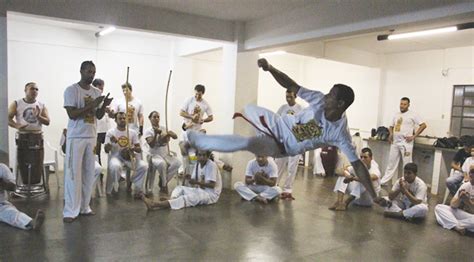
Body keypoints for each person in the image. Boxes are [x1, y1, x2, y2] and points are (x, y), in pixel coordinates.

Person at [188, 58, 378, 200]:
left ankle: (202, 141)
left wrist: (375, 196)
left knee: (249, 143)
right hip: (280, 124)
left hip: (284, 147)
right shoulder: (319, 99)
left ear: (340, 103)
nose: (326, 96)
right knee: (250, 109)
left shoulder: (340, 134)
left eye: (331, 95)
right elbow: (292, 85)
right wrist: (270, 68)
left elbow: (358, 166)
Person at [63, 61, 112, 223]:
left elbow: (98, 116)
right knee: (73, 174)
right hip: (76, 137)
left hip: (91, 136)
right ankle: (70, 211)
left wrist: (103, 105)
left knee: (89, 173)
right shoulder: (71, 90)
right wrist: (92, 104)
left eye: (94, 72)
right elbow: (72, 114)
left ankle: (84, 207)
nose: (91, 75)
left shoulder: (97, 92)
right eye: (89, 72)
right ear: (81, 71)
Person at [143, 150, 221, 210]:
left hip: (210, 195)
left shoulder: (211, 165)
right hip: (200, 190)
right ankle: (171, 200)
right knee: (179, 188)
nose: (202, 157)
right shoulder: (197, 164)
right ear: (196, 155)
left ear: (207, 156)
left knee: (187, 198)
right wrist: (189, 177)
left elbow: (212, 185)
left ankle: (155, 204)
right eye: (200, 155)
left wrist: (196, 182)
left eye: (204, 155)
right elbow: (195, 180)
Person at [380, 97, 426, 185]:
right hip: (395, 142)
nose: (402, 106)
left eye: (404, 104)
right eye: (401, 104)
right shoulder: (396, 114)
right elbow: (391, 126)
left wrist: (414, 136)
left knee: (407, 165)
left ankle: (407, 183)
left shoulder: (413, 114)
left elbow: (423, 125)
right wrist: (391, 134)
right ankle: (384, 181)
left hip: (406, 144)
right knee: (391, 163)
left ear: (408, 105)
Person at [104, 112, 147, 198]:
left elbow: (139, 149)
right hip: (116, 157)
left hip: (129, 157)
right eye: (120, 118)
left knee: (144, 166)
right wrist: (111, 143)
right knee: (115, 166)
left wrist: (133, 148)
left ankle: (137, 188)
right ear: (115, 120)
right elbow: (106, 150)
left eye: (124, 118)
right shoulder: (110, 132)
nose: (123, 120)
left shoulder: (132, 132)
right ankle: (115, 187)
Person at [274, 90, 304, 200]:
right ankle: (274, 185)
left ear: (295, 96)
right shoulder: (282, 108)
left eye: (290, 97)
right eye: (287, 97)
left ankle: (287, 190)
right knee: (279, 163)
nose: (288, 99)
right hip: (282, 140)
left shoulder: (300, 109)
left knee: (292, 166)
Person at [144, 111, 181, 196]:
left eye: (158, 117)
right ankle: (164, 186)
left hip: (166, 154)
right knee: (162, 164)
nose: (157, 119)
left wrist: (173, 134)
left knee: (178, 163)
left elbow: (175, 137)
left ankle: (163, 179)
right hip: (154, 155)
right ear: (150, 118)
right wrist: (156, 134)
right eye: (154, 117)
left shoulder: (164, 127)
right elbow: (152, 145)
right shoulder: (148, 131)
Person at [0, 163, 44, 230]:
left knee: (11, 213)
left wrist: (3, 184)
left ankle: (32, 223)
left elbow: (13, 187)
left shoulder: (2, 168)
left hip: (1, 205)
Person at [435, 167, 474, 235]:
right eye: (471, 174)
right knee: (439, 207)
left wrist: (468, 201)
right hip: (463, 215)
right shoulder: (466, 185)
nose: (471, 176)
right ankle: (457, 226)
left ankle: (453, 223)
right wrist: (459, 198)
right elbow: (452, 205)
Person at [92, 78, 111, 166]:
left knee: (110, 149)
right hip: (97, 129)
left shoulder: (104, 98)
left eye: (102, 88)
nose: (101, 90)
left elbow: (109, 112)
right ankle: (98, 170)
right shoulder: (92, 98)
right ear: (94, 87)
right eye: (99, 87)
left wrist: (110, 111)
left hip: (106, 129)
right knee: (97, 152)